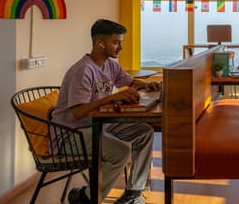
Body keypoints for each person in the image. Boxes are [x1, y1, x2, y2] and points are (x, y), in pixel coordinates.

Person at [51, 19, 160, 204]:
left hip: (98, 125)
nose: (120, 47)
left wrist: (146, 85)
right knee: (120, 153)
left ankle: (133, 193)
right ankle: (86, 198)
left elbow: (130, 81)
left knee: (145, 131)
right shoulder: (83, 71)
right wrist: (112, 98)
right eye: (116, 42)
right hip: (72, 134)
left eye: (121, 42)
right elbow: (78, 112)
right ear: (100, 43)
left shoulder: (110, 65)